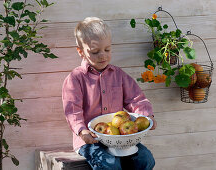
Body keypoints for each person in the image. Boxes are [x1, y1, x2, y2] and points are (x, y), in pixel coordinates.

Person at [62, 17, 157, 170]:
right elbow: (72, 110)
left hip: (119, 138)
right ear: (81, 52)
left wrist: (146, 116)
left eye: (107, 49)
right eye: (95, 51)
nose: (103, 55)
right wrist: (82, 130)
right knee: (109, 164)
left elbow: (136, 98)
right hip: (90, 140)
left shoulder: (118, 74)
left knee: (146, 159)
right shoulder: (76, 78)